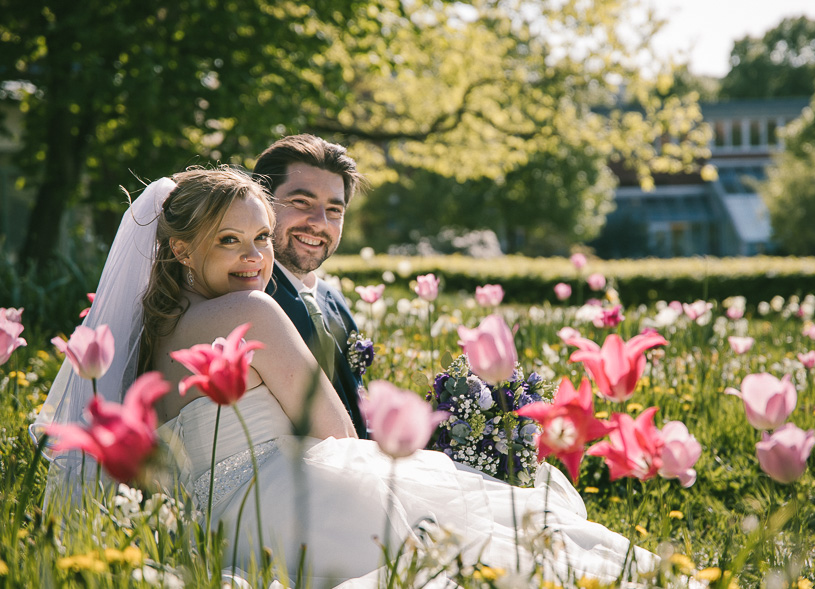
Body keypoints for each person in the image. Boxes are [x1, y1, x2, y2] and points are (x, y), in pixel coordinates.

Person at [35, 167, 657, 587]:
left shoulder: (143, 341)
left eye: (261, 237)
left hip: (213, 526)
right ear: (179, 248)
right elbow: (334, 431)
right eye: (230, 241)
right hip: (300, 492)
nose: (255, 257)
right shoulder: (251, 311)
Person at [253, 135, 368, 438]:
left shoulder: (334, 299)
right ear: (261, 203)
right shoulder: (246, 297)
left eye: (334, 210)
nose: (319, 223)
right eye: (301, 202)